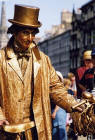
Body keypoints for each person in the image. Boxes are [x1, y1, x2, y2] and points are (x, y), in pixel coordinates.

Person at [0, 4, 82, 140]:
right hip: (8, 131)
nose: (31, 38)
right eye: (26, 32)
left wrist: (73, 104)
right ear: (14, 32)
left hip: (37, 130)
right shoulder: (1, 58)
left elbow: (56, 88)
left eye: (33, 33)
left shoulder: (43, 60)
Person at [51, 71, 67, 140]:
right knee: (55, 134)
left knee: (60, 134)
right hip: (54, 114)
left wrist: (54, 112)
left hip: (59, 113)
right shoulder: (52, 89)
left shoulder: (61, 89)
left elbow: (59, 101)